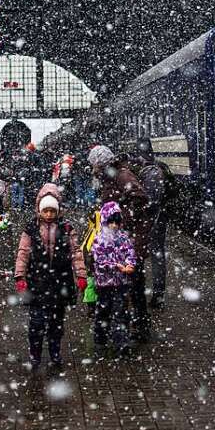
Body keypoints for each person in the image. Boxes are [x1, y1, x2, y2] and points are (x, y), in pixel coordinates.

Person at [14, 183, 87, 371]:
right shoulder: (31, 228)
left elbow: (76, 252)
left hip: (60, 282)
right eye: (45, 211)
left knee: (56, 322)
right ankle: (35, 354)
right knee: (36, 323)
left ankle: (55, 352)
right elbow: (23, 253)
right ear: (40, 210)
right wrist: (20, 276)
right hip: (37, 281)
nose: (48, 215)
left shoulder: (66, 227)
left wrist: (80, 274)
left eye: (51, 211)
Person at [87, 144, 154, 342]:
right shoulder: (112, 175)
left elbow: (141, 199)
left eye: (95, 165)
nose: (94, 170)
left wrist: (120, 218)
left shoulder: (121, 175)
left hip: (131, 242)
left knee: (135, 286)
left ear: (101, 164)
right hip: (123, 241)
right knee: (129, 286)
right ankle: (132, 327)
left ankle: (140, 329)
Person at [133, 139, 177, 310]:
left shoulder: (140, 169)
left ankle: (140, 292)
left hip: (147, 218)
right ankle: (158, 294)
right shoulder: (163, 167)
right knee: (158, 254)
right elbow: (173, 191)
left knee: (139, 253)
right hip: (162, 216)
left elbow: (143, 199)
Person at [91, 201, 136, 356]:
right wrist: (116, 266)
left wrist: (130, 264)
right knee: (103, 312)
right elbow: (99, 260)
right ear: (105, 221)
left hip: (121, 283)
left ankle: (121, 343)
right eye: (111, 222)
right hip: (105, 284)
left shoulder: (124, 238)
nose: (114, 226)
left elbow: (131, 253)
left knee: (121, 312)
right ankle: (100, 342)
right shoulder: (99, 240)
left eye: (117, 222)